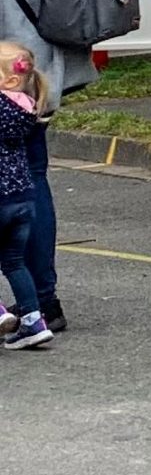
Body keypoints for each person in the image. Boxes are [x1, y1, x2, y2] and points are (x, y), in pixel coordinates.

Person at [0, 0, 84, 335]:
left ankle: (34, 303)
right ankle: (42, 298)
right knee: (31, 176)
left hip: (7, 56)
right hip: (41, 57)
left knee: (20, 177)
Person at [0, 40, 55, 349]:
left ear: (8, 79)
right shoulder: (25, 107)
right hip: (22, 200)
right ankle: (34, 321)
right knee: (14, 263)